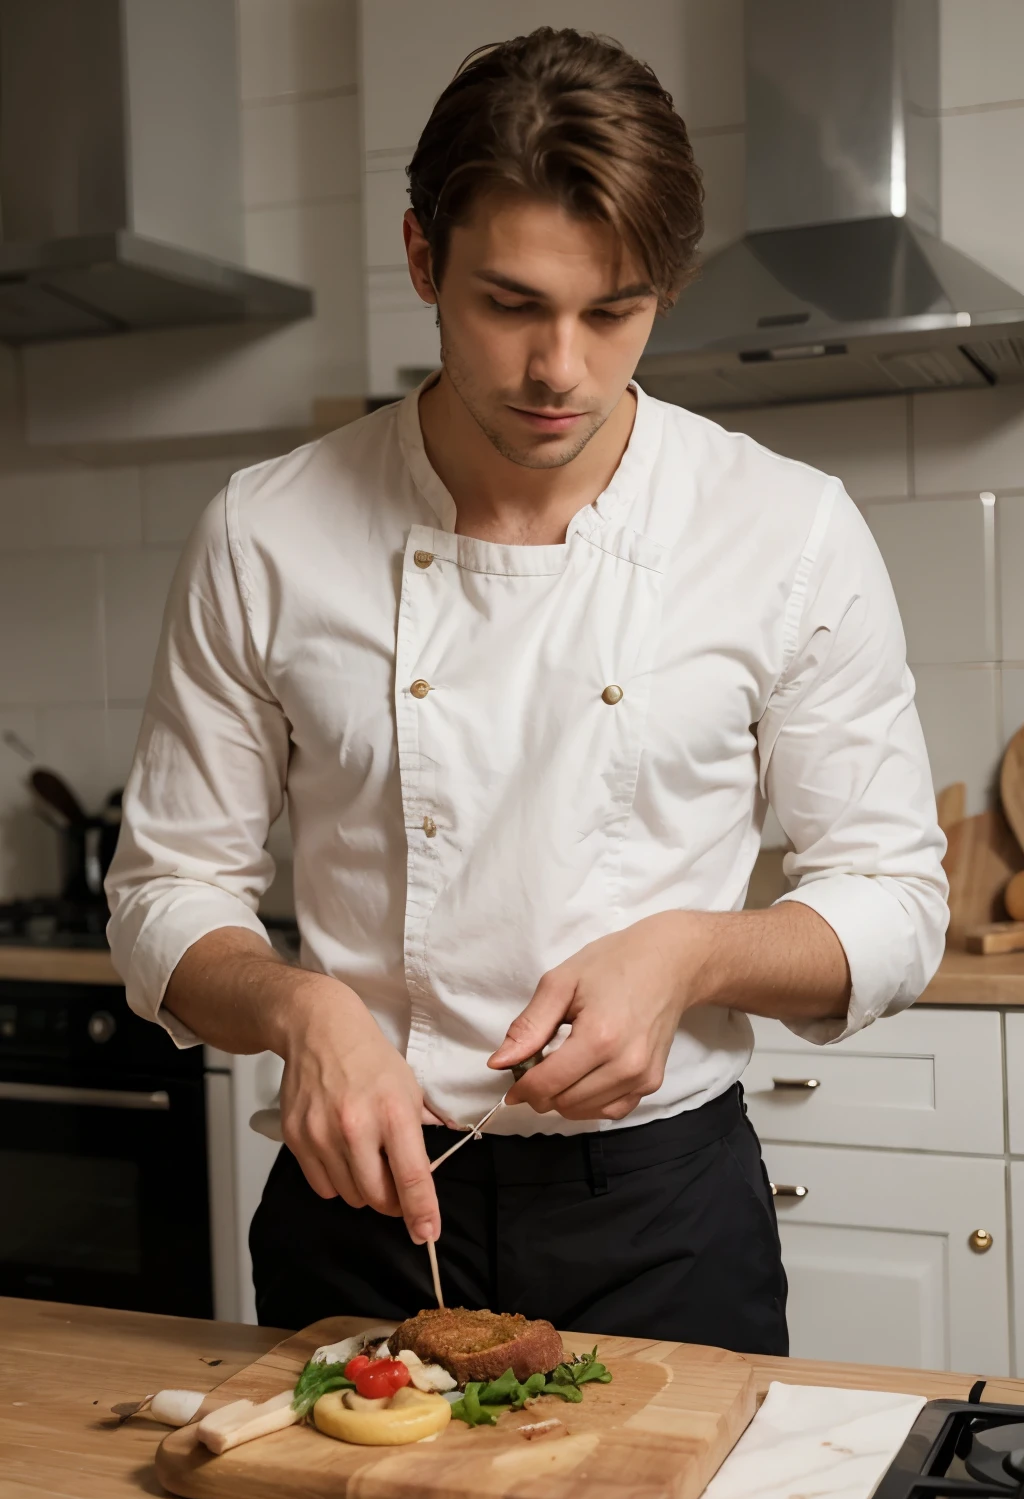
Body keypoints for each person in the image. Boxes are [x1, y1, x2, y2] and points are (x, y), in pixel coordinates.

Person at [106, 27, 947, 1354]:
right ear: (422, 260)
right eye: (511, 305)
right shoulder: (263, 532)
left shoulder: (786, 530)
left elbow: (896, 899)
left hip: (665, 1217)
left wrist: (691, 953)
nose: (563, 368)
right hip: (359, 1209)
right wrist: (300, 1008)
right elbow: (164, 892)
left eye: (614, 312)